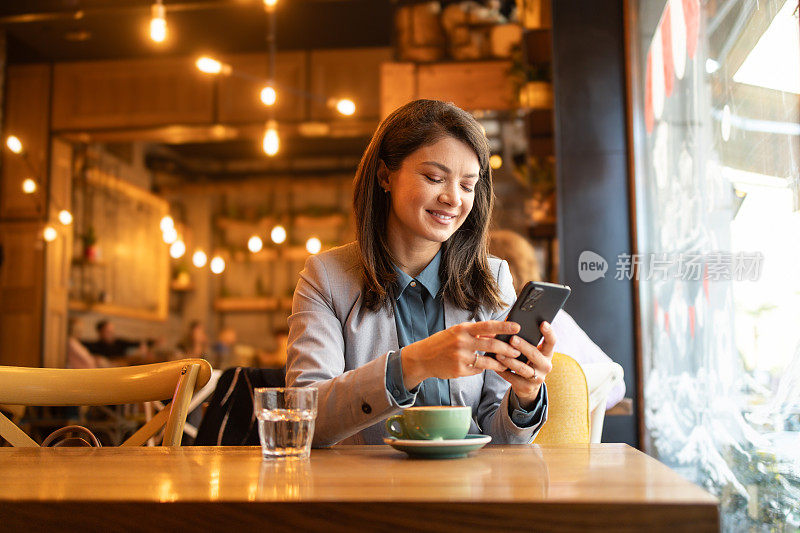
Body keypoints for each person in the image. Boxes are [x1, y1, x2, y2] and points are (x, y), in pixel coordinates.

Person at [287, 99, 555, 446]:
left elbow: (500, 440)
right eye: (435, 178)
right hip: (366, 492)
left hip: (466, 492)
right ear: (385, 175)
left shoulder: (493, 277)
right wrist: (415, 363)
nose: (453, 199)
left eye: (467, 185)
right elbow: (303, 420)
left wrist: (526, 396)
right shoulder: (326, 277)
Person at [488, 229, 626, 409]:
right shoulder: (558, 318)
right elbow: (616, 384)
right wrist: (571, 408)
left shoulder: (489, 326)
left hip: (512, 433)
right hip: (573, 438)